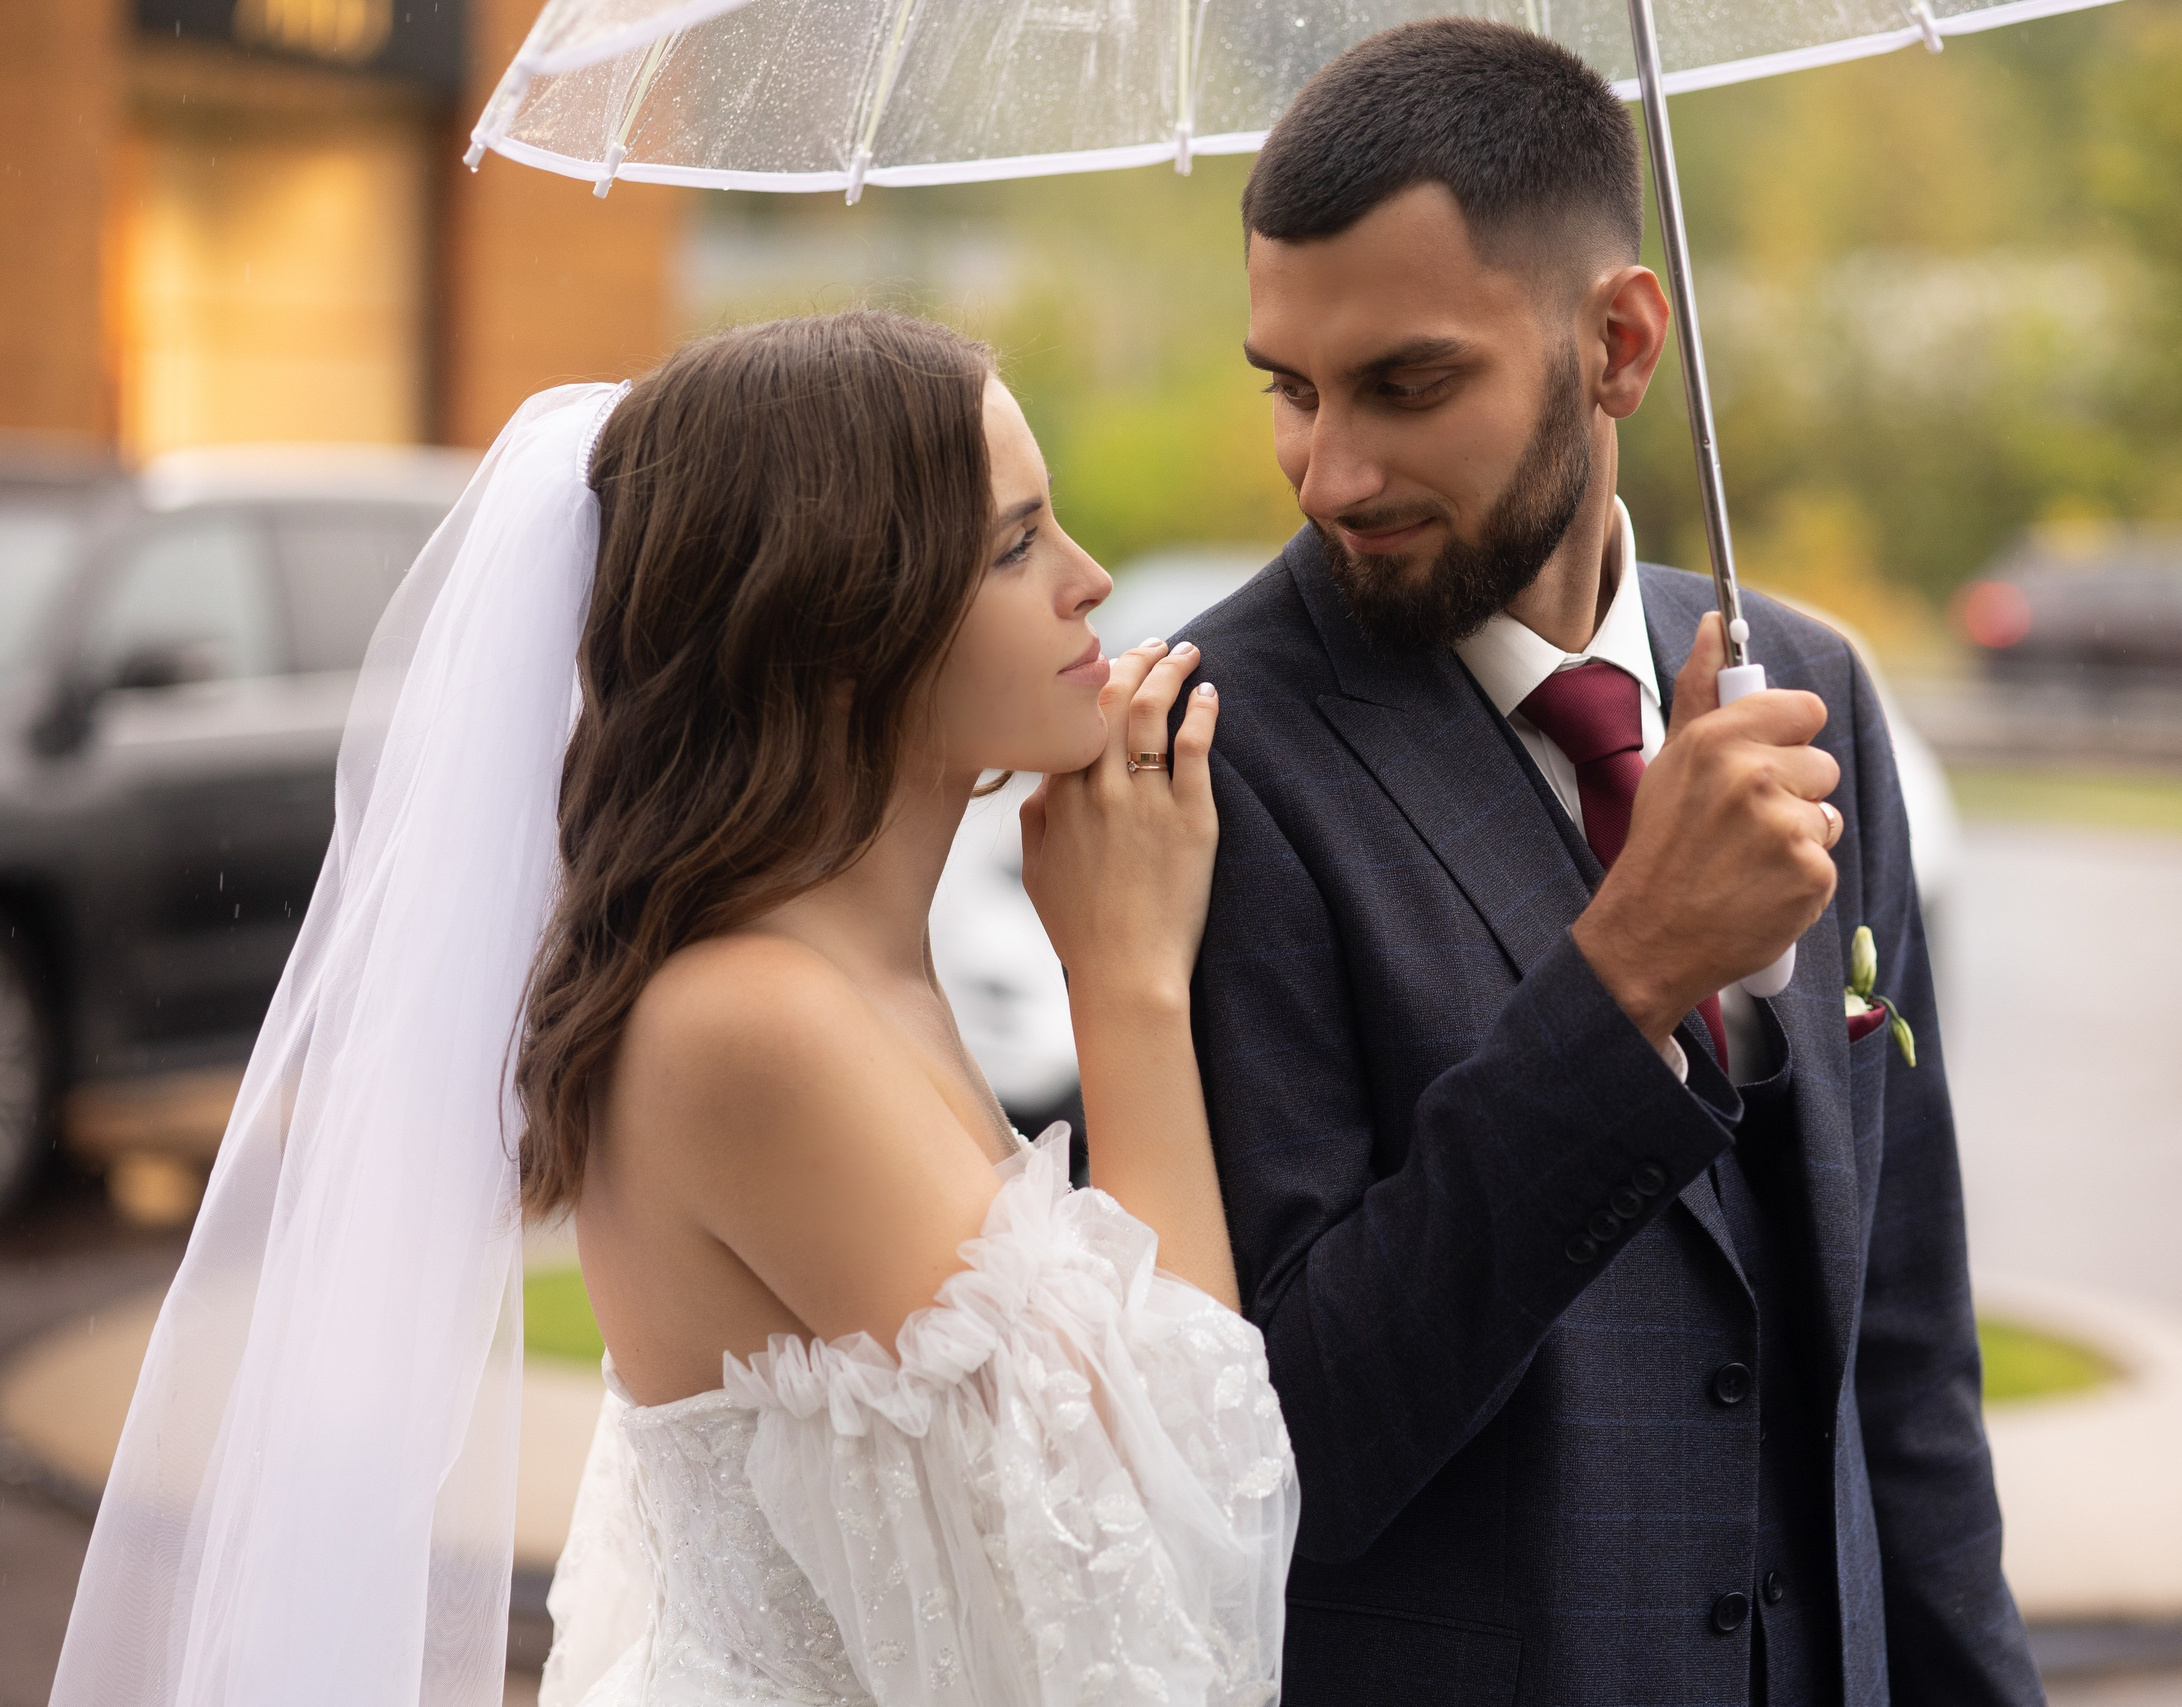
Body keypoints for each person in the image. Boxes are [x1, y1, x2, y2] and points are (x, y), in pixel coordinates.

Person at [48, 312, 1295, 1707]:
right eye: (1013, 546)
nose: (1091, 580)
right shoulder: (751, 1025)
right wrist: (1127, 983)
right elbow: (1173, 1560)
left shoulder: (850, 977)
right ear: (834, 624)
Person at [1173, 21, 2042, 1707]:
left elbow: (1908, 1356)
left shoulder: (1818, 697)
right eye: (1293, 388)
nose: (1329, 472)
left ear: (1621, 343)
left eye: (1407, 385)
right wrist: (1624, 975)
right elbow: (1291, 1448)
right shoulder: (1223, 752)